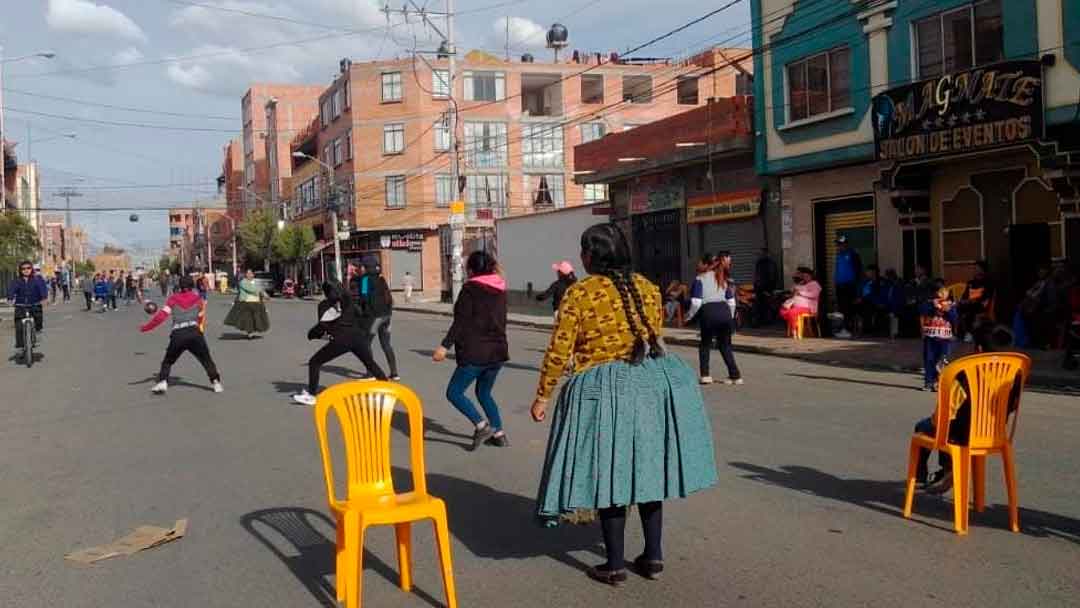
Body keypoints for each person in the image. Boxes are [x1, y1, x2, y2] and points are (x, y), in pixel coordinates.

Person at [531, 223, 718, 585]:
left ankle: (614, 565)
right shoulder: (647, 287)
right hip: (649, 383)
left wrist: (543, 395)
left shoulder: (579, 293)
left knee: (611, 473)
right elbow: (654, 333)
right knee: (647, 471)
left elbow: (560, 348)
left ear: (592, 257)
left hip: (602, 388)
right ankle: (653, 556)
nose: (582, 257)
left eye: (584, 251)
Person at [914, 326, 1018, 493]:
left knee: (925, 427)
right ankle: (947, 471)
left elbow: (945, 413)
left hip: (962, 434)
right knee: (951, 427)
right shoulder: (1015, 373)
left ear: (978, 349)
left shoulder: (964, 373)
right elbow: (1012, 406)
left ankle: (922, 476)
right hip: (995, 433)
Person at [432, 251, 510, 449]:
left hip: (476, 352)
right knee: (484, 393)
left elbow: (460, 322)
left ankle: (481, 425)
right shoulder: (500, 288)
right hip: (498, 352)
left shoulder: (470, 290)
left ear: (472, 270)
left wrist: (444, 346)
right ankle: (499, 434)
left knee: (454, 392)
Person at [291, 281, 387, 406]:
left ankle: (312, 395)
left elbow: (322, 326)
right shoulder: (349, 300)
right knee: (370, 363)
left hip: (342, 339)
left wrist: (312, 334)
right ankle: (387, 387)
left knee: (315, 362)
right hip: (358, 337)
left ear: (326, 293)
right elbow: (361, 316)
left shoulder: (325, 305)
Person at [140, 275, 223, 394]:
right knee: (206, 359)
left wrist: (146, 328)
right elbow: (200, 316)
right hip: (194, 333)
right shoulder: (198, 299)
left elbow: (161, 317)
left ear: (180, 285)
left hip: (178, 334)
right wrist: (199, 329)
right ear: (191, 286)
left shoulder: (173, 299)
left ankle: (163, 382)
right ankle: (216, 383)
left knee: (168, 361)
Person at [686, 251, 741, 385]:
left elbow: (696, 302)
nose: (697, 264)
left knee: (705, 344)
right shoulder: (722, 278)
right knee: (725, 345)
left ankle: (706, 375)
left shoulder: (700, 279)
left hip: (709, 312)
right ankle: (735, 376)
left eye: (699, 262)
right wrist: (731, 317)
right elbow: (732, 302)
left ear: (705, 264)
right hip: (725, 312)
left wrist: (689, 316)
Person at [358, 261, 400, 381]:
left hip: (375, 318)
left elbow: (364, 298)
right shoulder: (381, 279)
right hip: (386, 317)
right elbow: (388, 297)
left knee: (366, 344)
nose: (361, 269)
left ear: (367, 268)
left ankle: (370, 373)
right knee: (386, 344)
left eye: (363, 266)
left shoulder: (365, 280)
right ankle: (394, 373)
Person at [6, 260, 48, 353]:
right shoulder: (17, 280)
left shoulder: (37, 279)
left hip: (35, 304)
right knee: (19, 325)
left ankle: (38, 331)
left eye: (28, 268)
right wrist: (10, 299)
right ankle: (20, 345)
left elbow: (42, 289)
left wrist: (44, 298)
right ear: (20, 270)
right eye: (23, 268)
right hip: (20, 305)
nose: (26, 270)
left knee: (38, 317)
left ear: (31, 269)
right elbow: (11, 290)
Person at [920, 287, 958, 392]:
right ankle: (928, 382)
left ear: (947, 295)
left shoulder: (951, 305)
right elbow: (923, 311)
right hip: (930, 337)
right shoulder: (929, 303)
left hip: (945, 338)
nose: (941, 294)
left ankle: (938, 382)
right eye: (939, 292)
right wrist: (933, 306)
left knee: (942, 361)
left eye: (944, 293)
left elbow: (955, 318)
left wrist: (948, 311)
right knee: (929, 359)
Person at [224, 269, 271, 339]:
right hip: (246, 302)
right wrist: (262, 293)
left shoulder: (255, 282)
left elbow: (260, 289)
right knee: (248, 318)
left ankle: (253, 330)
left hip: (256, 302)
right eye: (248, 273)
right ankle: (250, 333)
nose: (249, 275)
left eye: (251, 273)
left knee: (256, 318)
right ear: (245, 275)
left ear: (253, 274)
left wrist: (265, 295)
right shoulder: (243, 282)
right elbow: (251, 289)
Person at [958, 261, 995, 342]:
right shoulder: (971, 283)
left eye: (976, 268)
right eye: (974, 268)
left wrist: (971, 301)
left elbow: (986, 297)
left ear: (982, 270)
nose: (974, 270)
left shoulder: (988, 282)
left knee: (970, 309)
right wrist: (963, 301)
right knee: (956, 307)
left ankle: (970, 333)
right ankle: (956, 333)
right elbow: (965, 295)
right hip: (970, 304)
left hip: (982, 305)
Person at [834, 235, 862, 338]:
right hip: (840, 286)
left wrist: (858, 290)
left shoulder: (853, 254)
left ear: (846, 244)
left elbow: (859, 272)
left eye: (841, 244)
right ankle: (843, 329)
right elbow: (838, 271)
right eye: (837, 244)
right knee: (842, 308)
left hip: (850, 285)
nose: (839, 246)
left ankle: (848, 330)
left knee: (848, 309)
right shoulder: (838, 255)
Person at [779, 266, 822, 335]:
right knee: (783, 310)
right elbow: (793, 291)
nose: (805, 278)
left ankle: (795, 329)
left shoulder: (815, 284)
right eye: (804, 276)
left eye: (807, 276)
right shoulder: (801, 284)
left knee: (792, 312)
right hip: (797, 305)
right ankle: (796, 328)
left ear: (811, 276)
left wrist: (800, 293)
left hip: (809, 307)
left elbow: (814, 295)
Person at [752, 248, 780, 326]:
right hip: (765, 288)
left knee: (762, 305)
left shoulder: (764, 263)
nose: (760, 255)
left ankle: (761, 321)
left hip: (763, 288)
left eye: (761, 253)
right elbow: (773, 276)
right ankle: (766, 321)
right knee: (766, 305)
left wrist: (759, 287)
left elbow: (771, 276)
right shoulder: (769, 263)